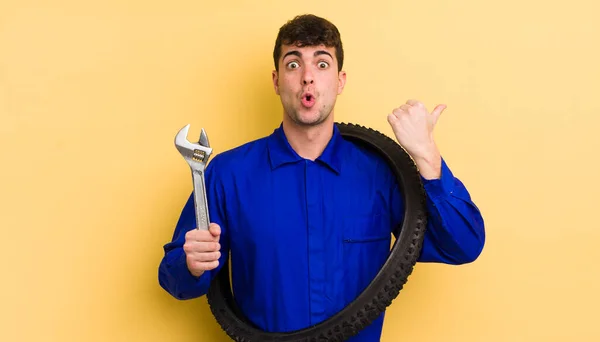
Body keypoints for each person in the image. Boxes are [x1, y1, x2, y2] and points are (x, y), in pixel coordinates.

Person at [158, 13, 485, 341]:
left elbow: (463, 245)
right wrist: (191, 264)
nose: (308, 78)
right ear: (276, 80)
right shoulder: (227, 174)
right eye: (294, 64)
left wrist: (427, 157)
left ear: (340, 81)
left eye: (322, 64)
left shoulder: (382, 175)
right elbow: (174, 281)